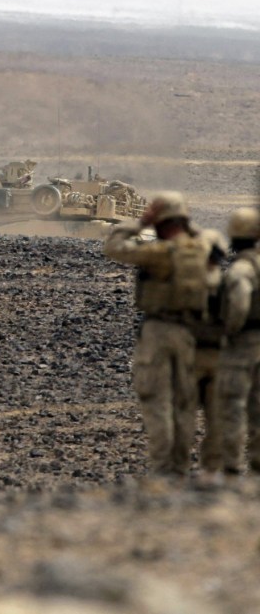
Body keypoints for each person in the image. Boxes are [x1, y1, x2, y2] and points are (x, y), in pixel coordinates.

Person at [103, 191, 210, 477]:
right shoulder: (201, 250)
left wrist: (139, 223)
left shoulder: (159, 253)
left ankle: (165, 468)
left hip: (159, 331)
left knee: (156, 399)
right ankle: (181, 464)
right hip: (191, 334)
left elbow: (113, 247)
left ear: (160, 222)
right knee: (185, 402)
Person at [216, 207, 260, 476]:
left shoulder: (240, 270)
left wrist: (230, 329)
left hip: (244, 343)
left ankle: (231, 465)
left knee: (233, 403)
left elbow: (239, 303)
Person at [193, 229, 229, 484]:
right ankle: (214, 470)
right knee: (218, 416)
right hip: (219, 355)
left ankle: (172, 468)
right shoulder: (230, 283)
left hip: (190, 355)